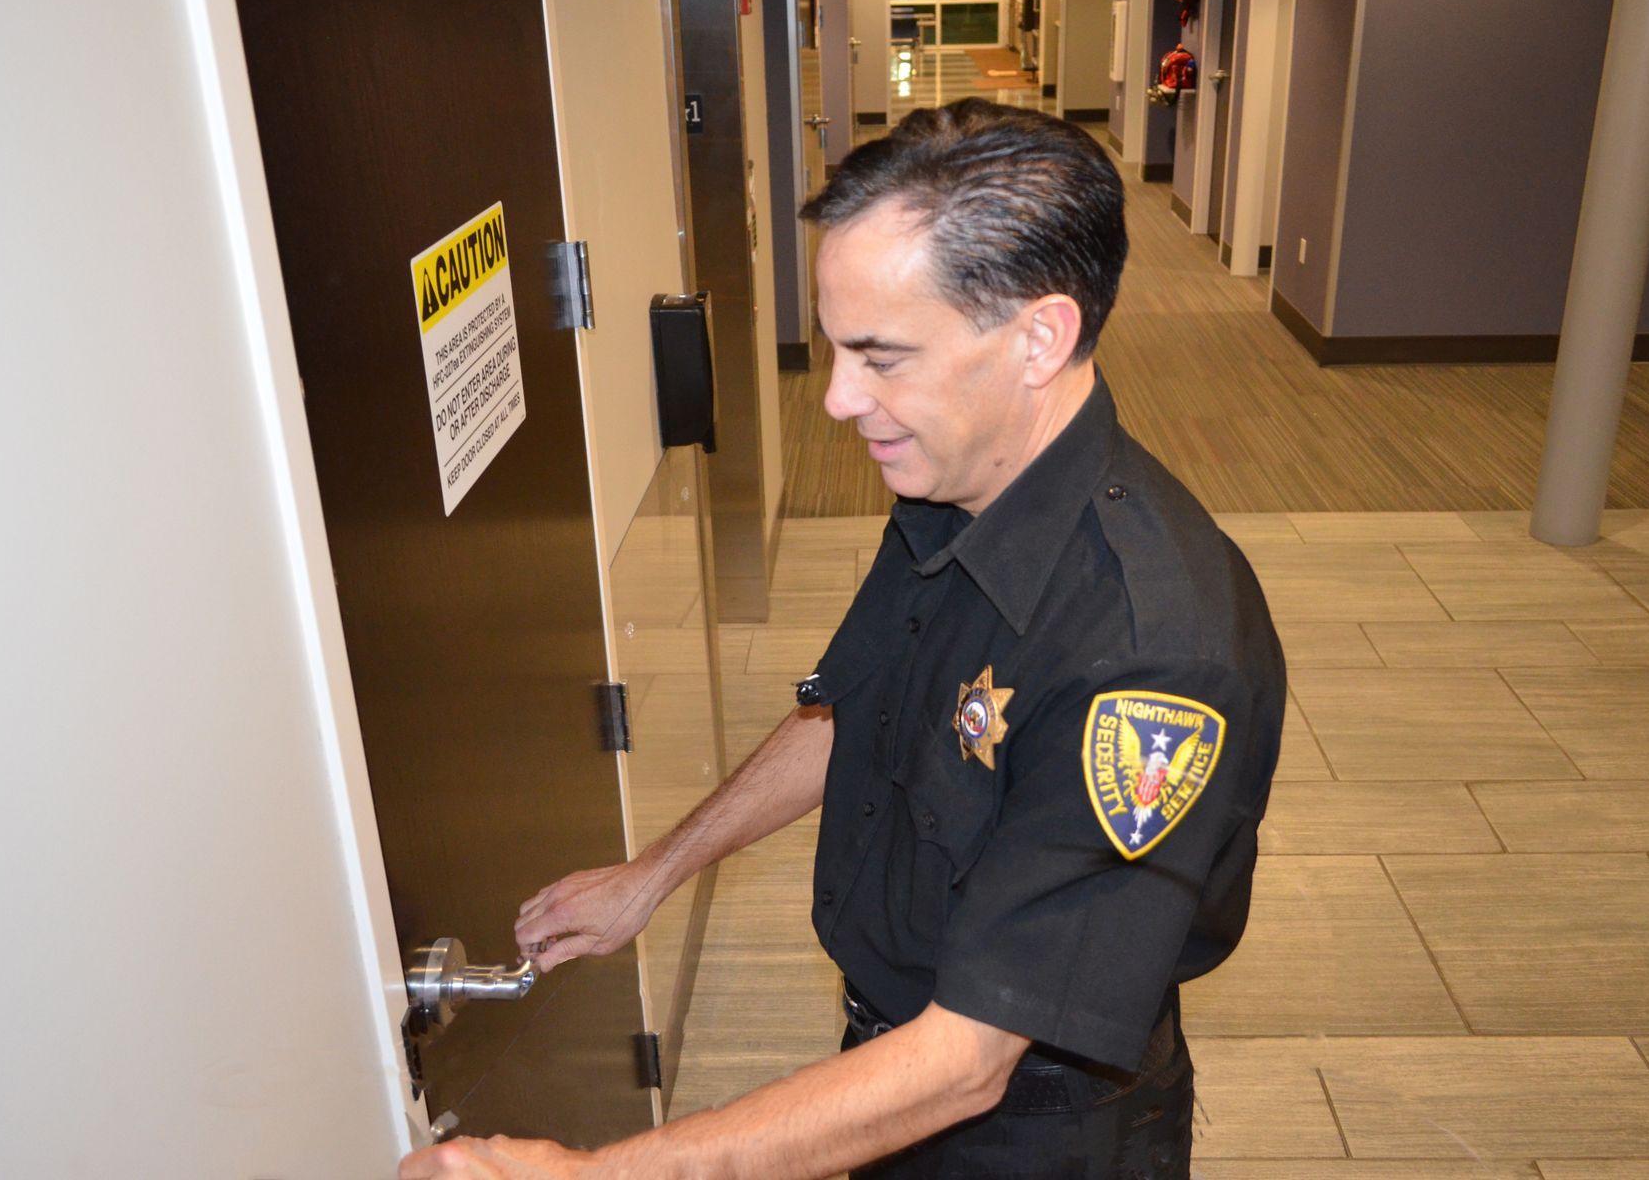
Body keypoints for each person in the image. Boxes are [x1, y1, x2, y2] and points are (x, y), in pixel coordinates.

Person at [401, 99, 1284, 1179]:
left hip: (1030, 1129)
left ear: (1039, 338)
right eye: (834, 349)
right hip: (883, 1065)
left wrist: (596, 1177)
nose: (835, 401)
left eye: (882, 356)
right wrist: (657, 870)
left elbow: (969, 1060)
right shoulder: (950, 484)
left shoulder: (1151, 654)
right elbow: (853, 707)